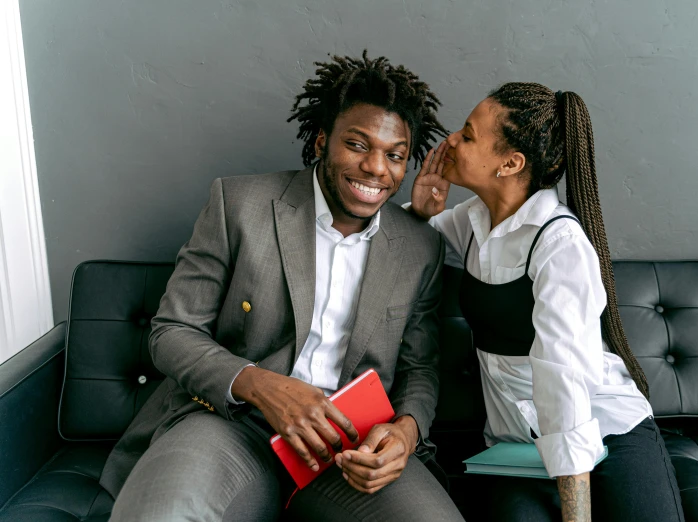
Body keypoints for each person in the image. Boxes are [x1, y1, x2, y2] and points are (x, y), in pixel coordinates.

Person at [101, 51, 465, 522]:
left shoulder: (419, 246)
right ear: (321, 142)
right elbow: (171, 331)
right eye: (357, 145)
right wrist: (262, 386)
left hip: (350, 446)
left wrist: (405, 433)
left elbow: (420, 369)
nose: (377, 168)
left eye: (395, 155)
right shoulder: (238, 204)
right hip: (229, 424)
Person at [409, 83, 684, 522]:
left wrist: (577, 514)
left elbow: (564, 380)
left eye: (467, 133)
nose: (451, 141)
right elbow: (402, 252)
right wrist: (420, 211)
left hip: (606, 426)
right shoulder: (472, 220)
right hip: (516, 444)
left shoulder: (559, 244)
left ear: (510, 163)